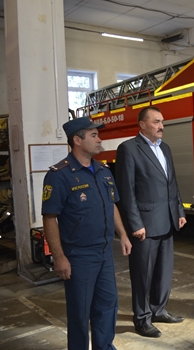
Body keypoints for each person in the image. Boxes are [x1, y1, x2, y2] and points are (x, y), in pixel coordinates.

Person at [41, 117, 132, 350]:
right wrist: (59, 257)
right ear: (77, 140)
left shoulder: (103, 171)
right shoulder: (59, 175)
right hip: (78, 255)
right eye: (94, 135)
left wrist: (122, 234)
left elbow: (112, 205)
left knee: (107, 305)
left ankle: (105, 347)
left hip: (104, 252)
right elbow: (50, 218)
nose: (100, 139)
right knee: (80, 313)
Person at [115, 106, 187, 338]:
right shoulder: (128, 149)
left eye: (162, 122)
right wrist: (135, 223)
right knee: (142, 274)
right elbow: (127, 191)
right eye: (156, 122)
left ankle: (158, 309)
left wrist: (179, 211)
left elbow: (172, 184)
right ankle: (142, 318)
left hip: (167, 220)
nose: (161, 126)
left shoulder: (164, 148)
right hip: (144, 224)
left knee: (164, 272)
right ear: (142, 125)